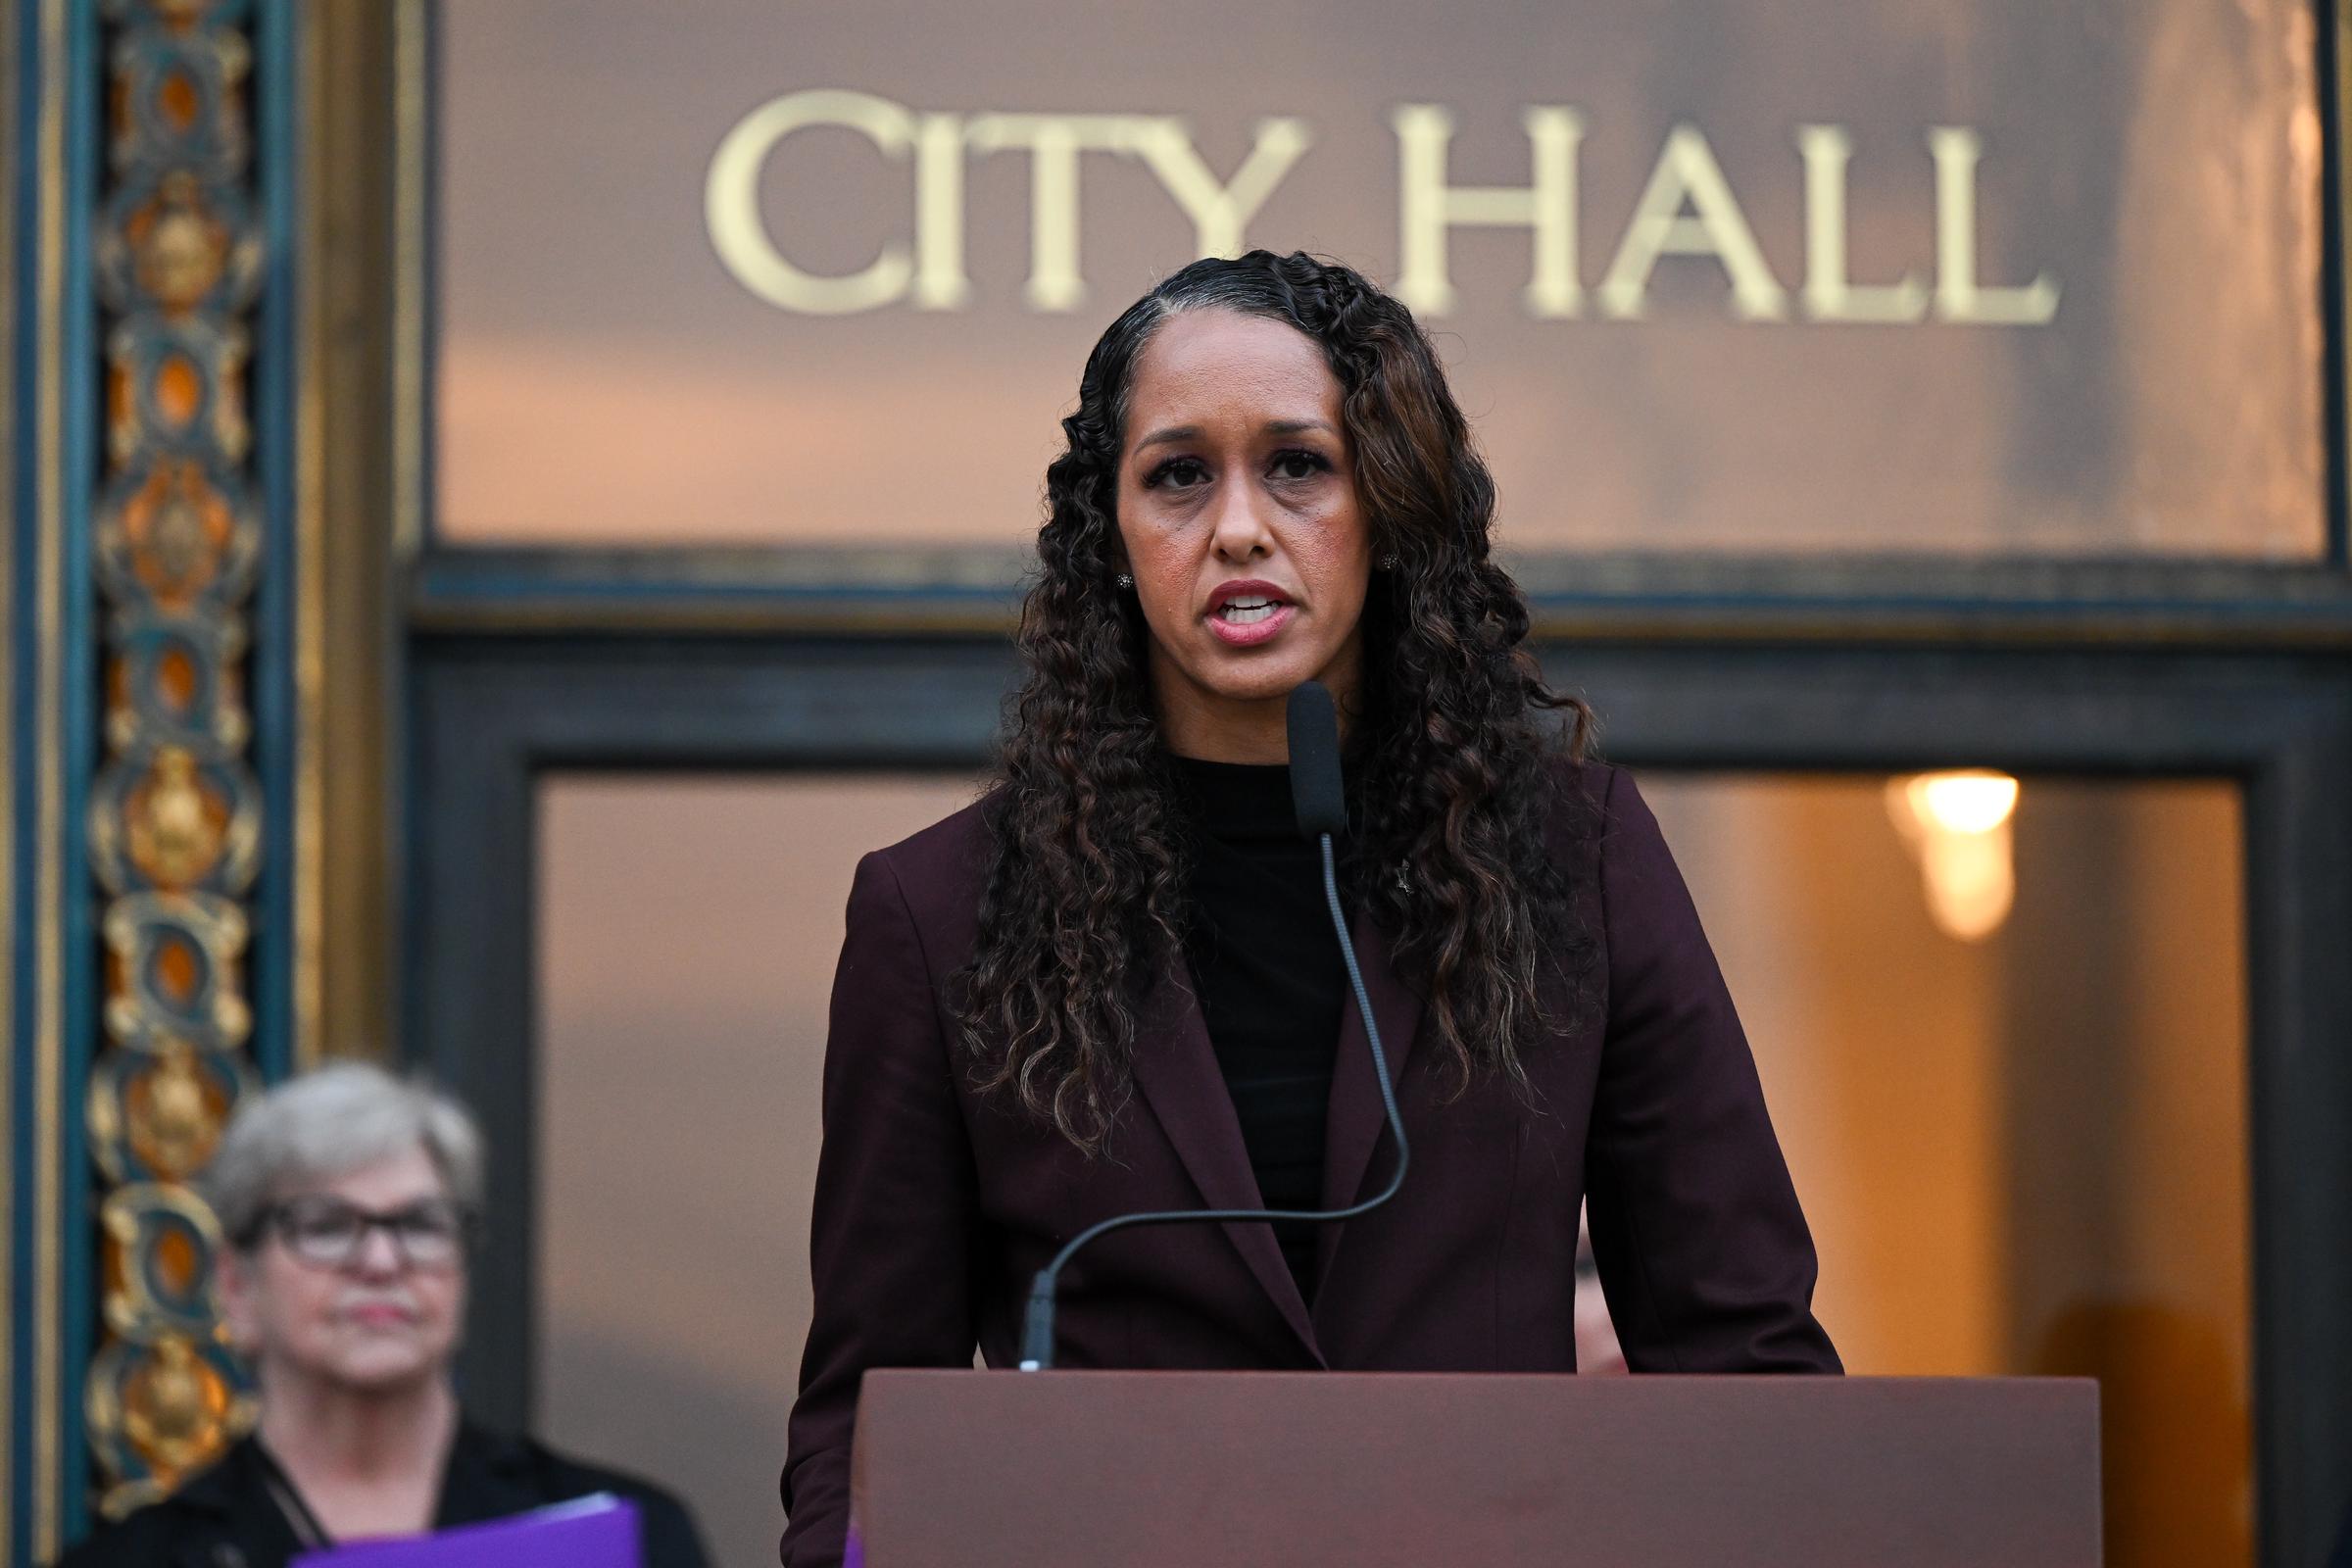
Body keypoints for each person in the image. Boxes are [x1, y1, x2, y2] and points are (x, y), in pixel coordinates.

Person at [779, 250, 1838, 1568]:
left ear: (1388, 509)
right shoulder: (937, 914)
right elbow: (866, 1417)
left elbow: (1739, 1348)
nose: (1237, 527)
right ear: (1111, 539)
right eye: (1177, 474)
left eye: (1298, 465)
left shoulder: (1579, 856)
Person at [57, 1063, 710, 1568]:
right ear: (237, 1284)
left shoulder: (630, 1542)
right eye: (325, 1225)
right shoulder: (138, 1561)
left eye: (420, 1224)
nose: (379, 1260)